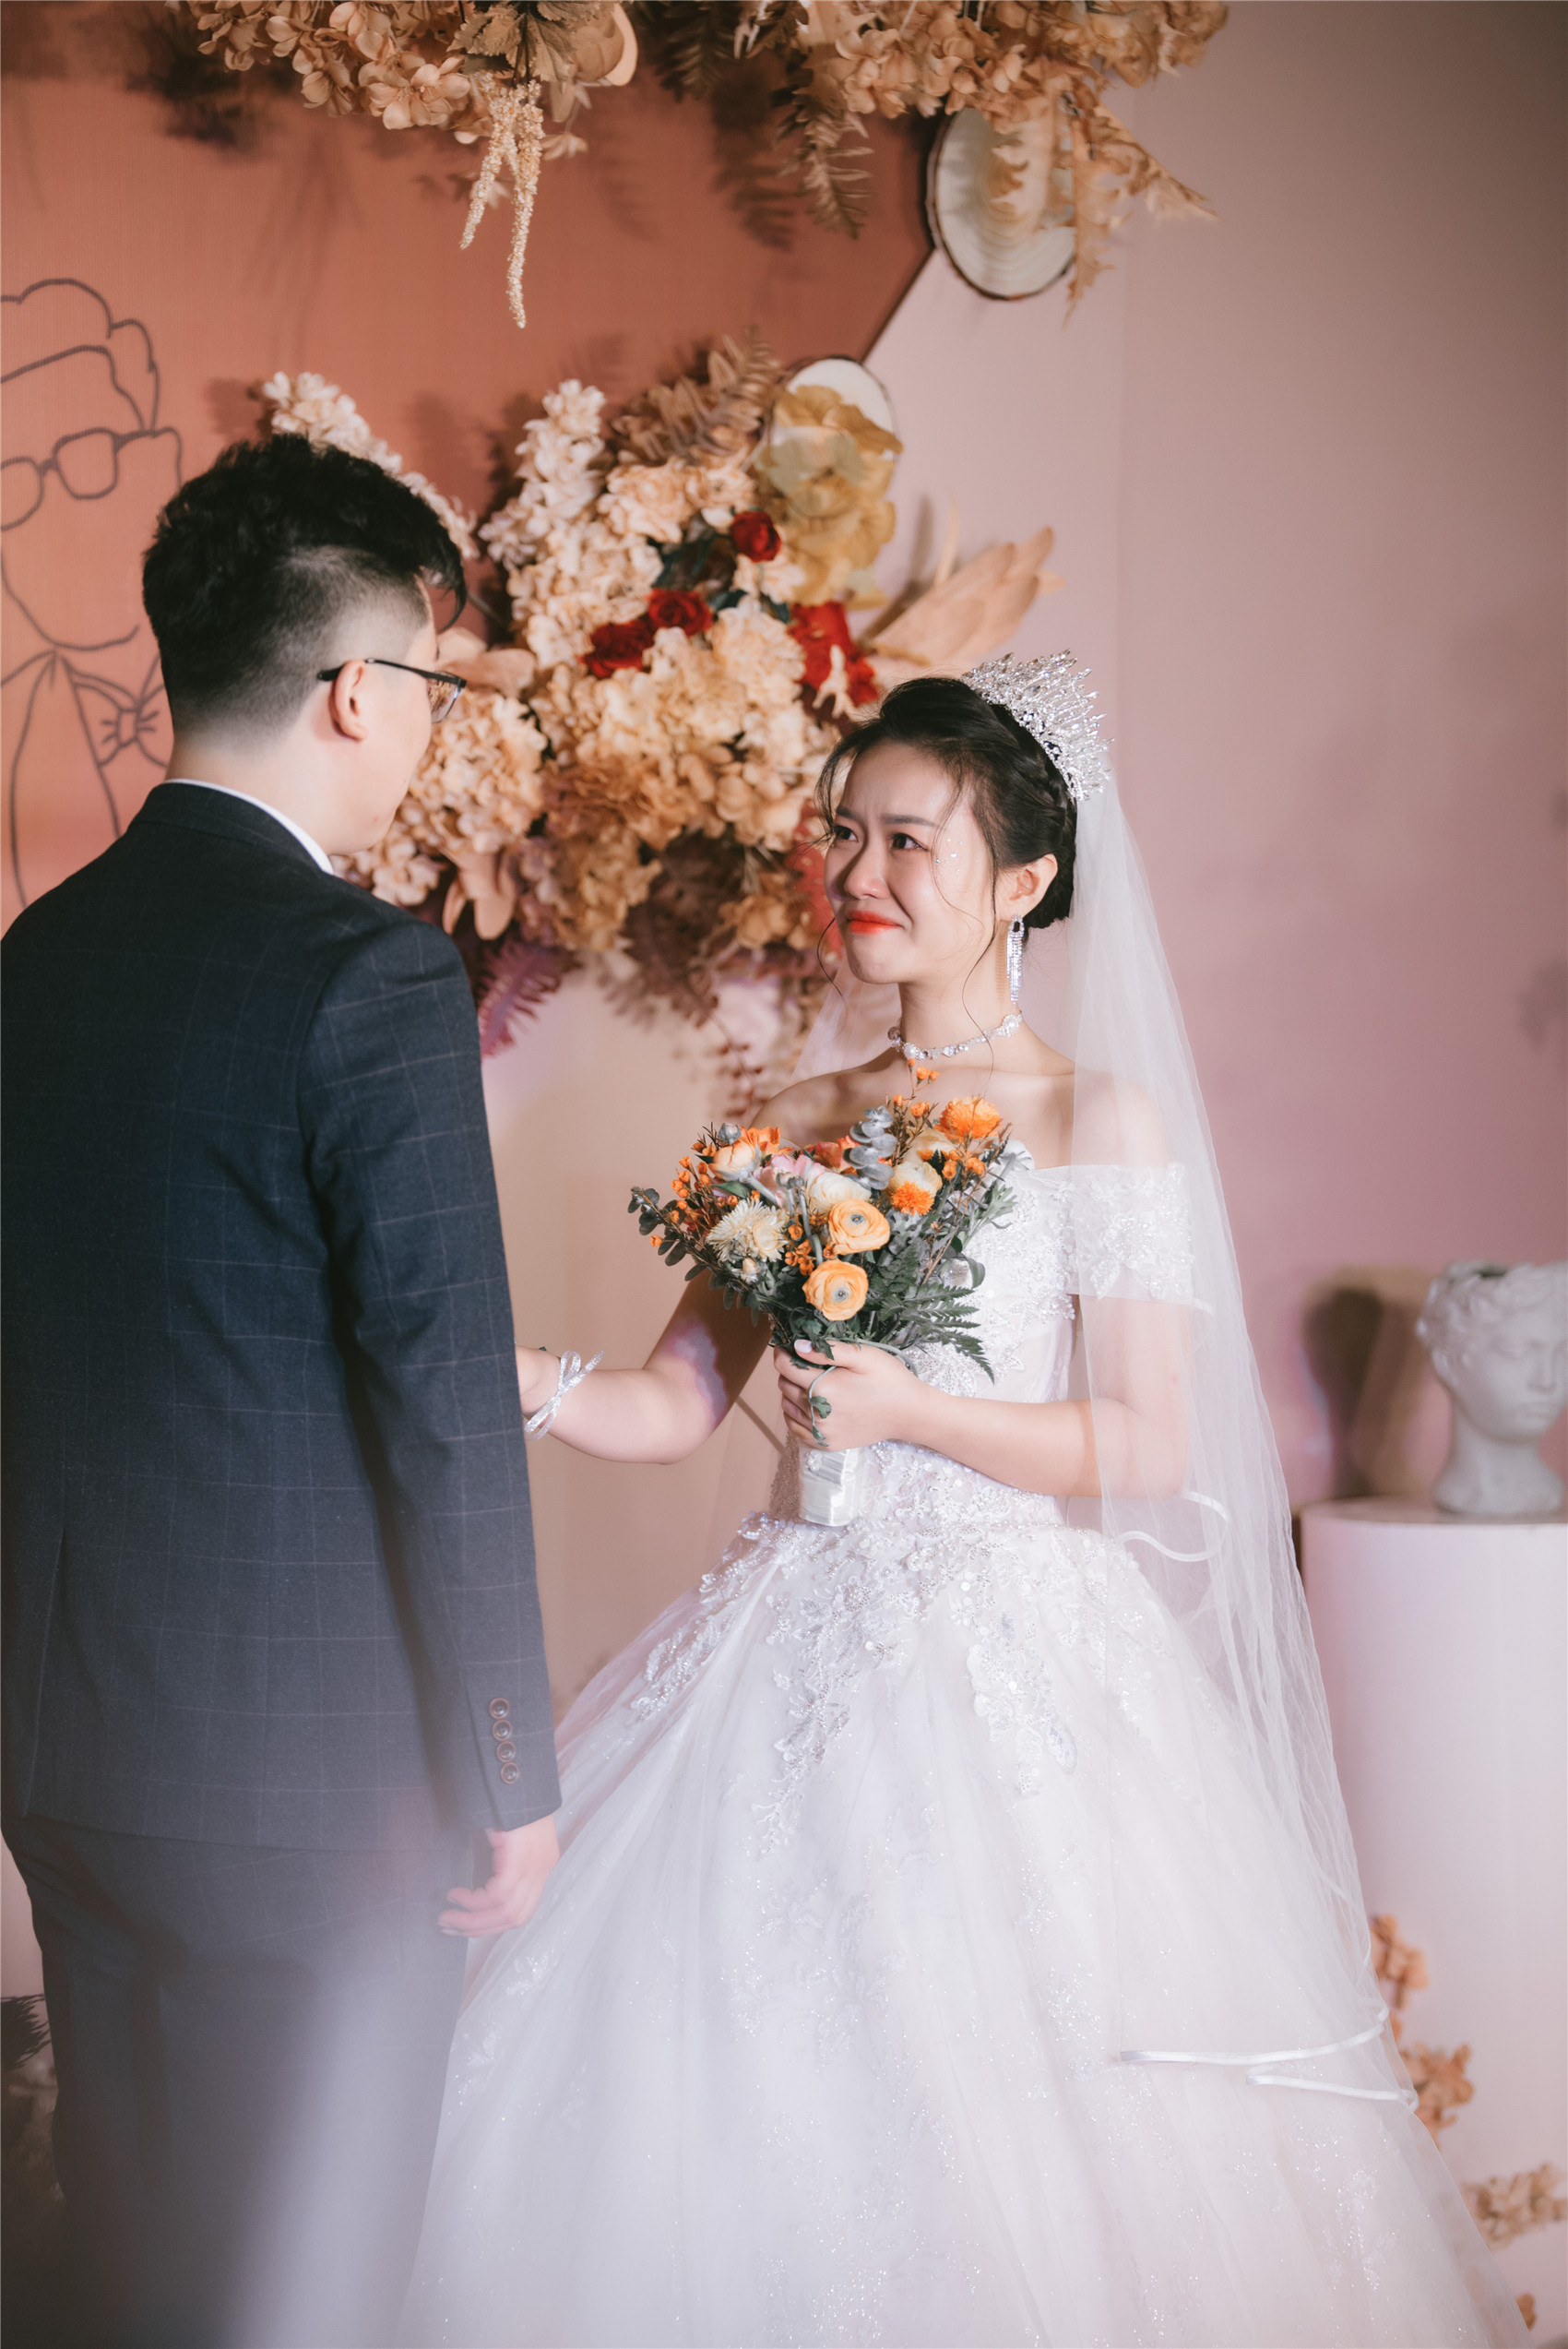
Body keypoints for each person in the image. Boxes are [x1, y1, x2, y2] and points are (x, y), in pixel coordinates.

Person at [400, 661, 1526, 2348]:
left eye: (907, 840)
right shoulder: (793, 1123)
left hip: (1017, 1655)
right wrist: (517, 1379)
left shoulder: (1095, 1122)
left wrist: (915, 1407)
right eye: (844, 832)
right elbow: (677, 1402)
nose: (857, 871)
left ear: (1024, 881)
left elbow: (1145, 1438)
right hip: (783, 1637)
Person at [2, 435, 559, 2349]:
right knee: (305, 2293)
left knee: (139, 2266)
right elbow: (443, 1404)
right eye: (432, 684)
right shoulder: (369, 975)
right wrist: (508, 1761)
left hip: (71, 1748)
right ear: (353, 689)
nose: (428, 726)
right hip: (310, 1784)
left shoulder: (40, 955)